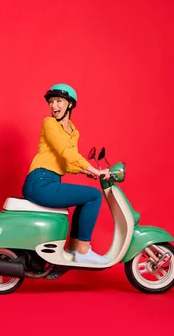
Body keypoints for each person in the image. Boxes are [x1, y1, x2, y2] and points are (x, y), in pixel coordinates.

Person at [22, 83, 111, 265]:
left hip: (51, 180)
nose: (54, 106)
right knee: (93, 196)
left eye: (59, 101)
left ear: (70, 104)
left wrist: (90, 172)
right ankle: (84, 251)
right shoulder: (49, 123)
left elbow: (67, 163)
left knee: (84, 198)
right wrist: (92, 169)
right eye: (51, 102)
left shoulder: (73, 131)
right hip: (40, 181)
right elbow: (65, 151)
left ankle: (73, 246)